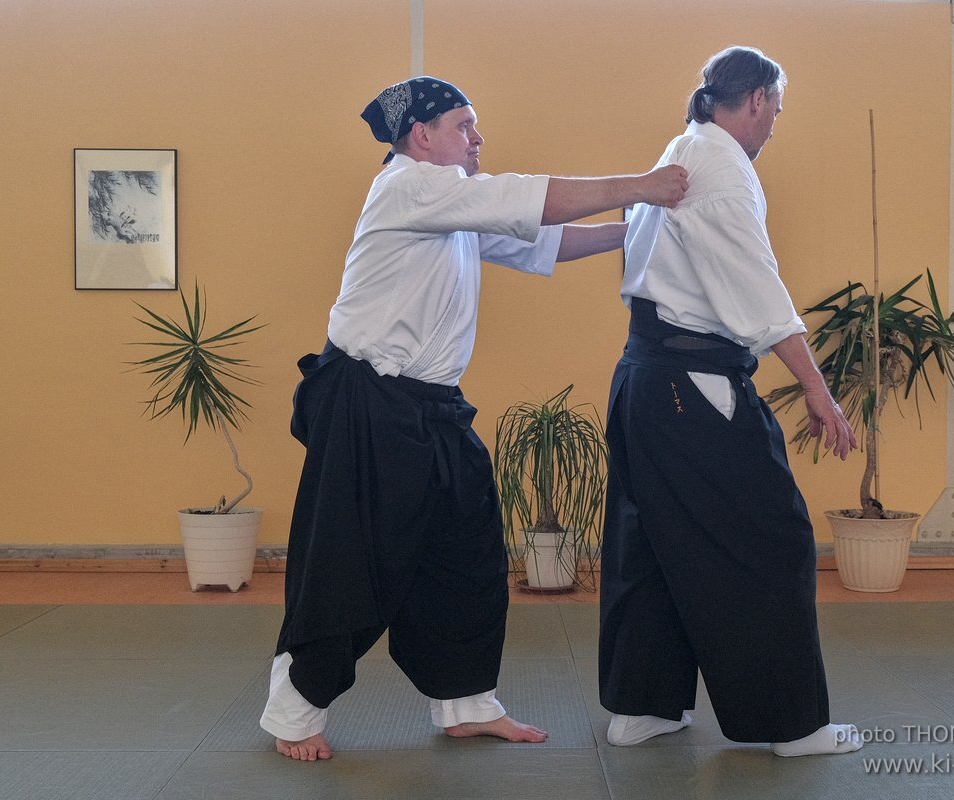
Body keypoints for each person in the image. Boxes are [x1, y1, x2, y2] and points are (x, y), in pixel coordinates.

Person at [260, 75, 689, 762]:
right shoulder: (408, 186)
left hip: (432, 409)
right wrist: (643, 186)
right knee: (355, 562)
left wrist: (642, 227)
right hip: (368, 404)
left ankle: (464, 704)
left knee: (467, 554)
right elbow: (528, 199)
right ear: (421, 136)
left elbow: (542, 241)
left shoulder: (448, 204)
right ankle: (294, 708)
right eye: (465, 125)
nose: (478, 138)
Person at [598, 47, 864, 757]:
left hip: (642, 379)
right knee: (771, 538)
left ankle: (642, 708)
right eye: (774, 109)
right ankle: (793, 725)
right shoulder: (721, 170)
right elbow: (757, 290)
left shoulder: (683, 148)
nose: (775, 123)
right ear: (752, 101)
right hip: (693, 386)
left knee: (650, 540)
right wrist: (816, 388)